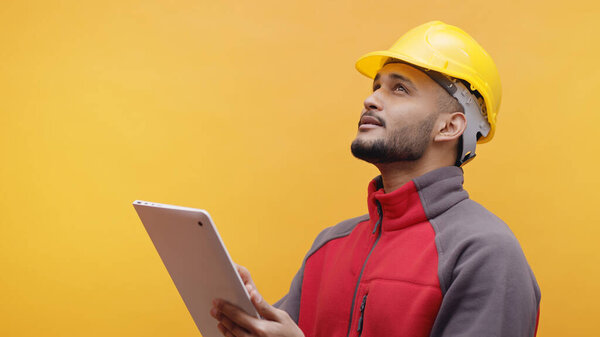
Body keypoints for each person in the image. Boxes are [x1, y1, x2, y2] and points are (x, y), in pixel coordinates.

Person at [210, 21, 541, 337]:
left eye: (399, 89)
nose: (371, 99)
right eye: (376, 86)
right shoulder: (329, 247)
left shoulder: (485, 254)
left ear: (449, 127)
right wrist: (248, 315)